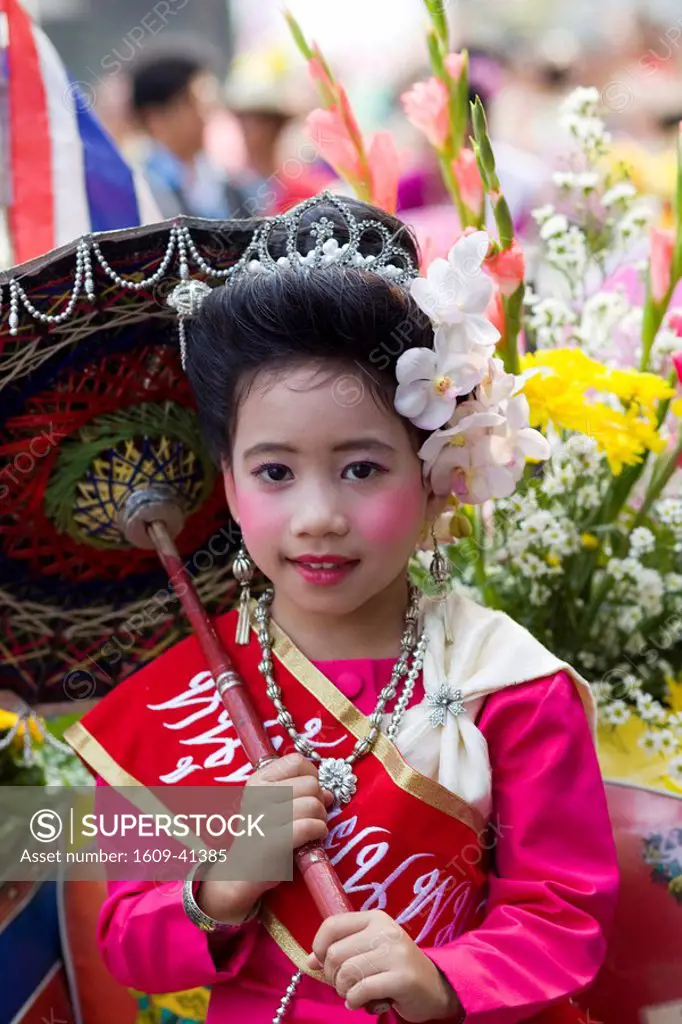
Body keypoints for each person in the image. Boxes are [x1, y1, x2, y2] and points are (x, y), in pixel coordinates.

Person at [65, 193, 619, 1023]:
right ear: (228, 482)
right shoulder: (170, 703)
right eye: (275, 473)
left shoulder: (507, 684)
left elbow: (564, 915)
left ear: (435, 475)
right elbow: (125, 941)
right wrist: (221, 882)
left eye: (361, 469)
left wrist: (446, 976)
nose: (317, 515)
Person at [130, 45, 254, 219]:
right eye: (192, 103)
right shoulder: (140, 190)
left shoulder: (227, 185)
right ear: (155, 117)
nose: (204, 116)